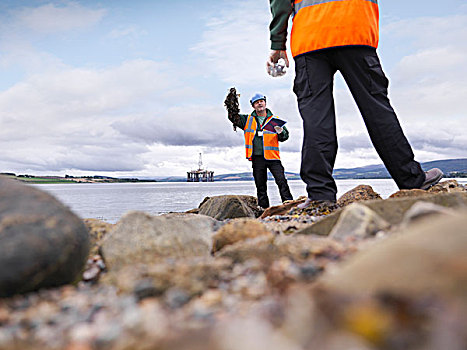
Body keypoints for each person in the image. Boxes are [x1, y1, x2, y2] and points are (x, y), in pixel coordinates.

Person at [267, 0, 443, 208]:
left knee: (316, 117)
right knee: (377, 109)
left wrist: (277, 44)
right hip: (355, 29)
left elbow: (280, 2)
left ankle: (320, 194)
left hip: (310, 36)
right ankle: (412, 180)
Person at [228, 93, 293, 209]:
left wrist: (281, 132)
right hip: (257, 157)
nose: (259, 103)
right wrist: (231, 102)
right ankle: (263, 208)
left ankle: (288, 203)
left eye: (261, 101)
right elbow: (233, 117)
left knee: (281, 181)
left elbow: (285, 137)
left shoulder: (274, 120)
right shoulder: (247, 120)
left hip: (273, 157)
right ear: (253, 106)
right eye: (256, 102)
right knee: (260, 185)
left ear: (265, 103)